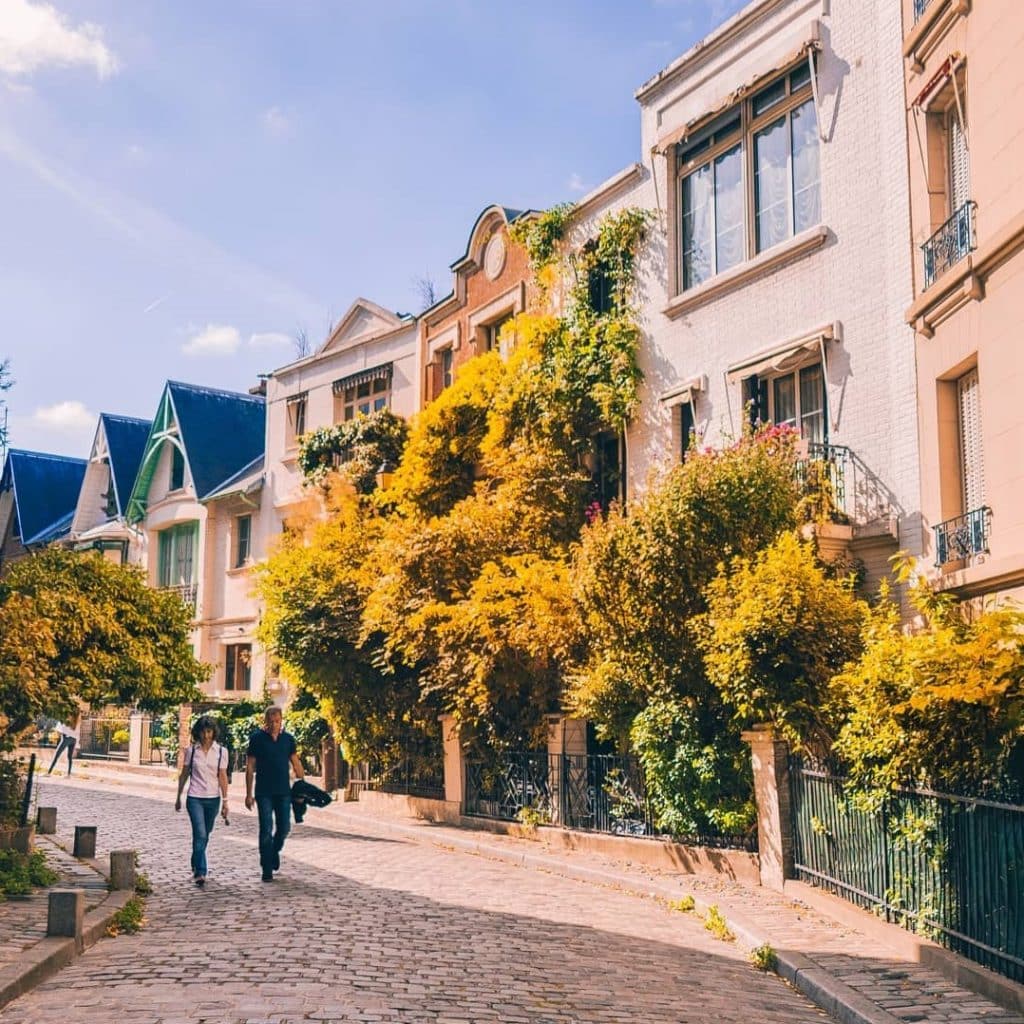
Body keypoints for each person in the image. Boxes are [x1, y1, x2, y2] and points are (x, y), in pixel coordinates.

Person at [245, 706, 304, 882]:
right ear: (265, 721)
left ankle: (274, 851)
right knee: (265, 829)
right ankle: (266, 868)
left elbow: (296, 763)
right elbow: (249, 767)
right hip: (263, 792)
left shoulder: (288, 740)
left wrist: (302, 785)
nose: (274, 724)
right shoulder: (257, 739)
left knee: (284, 827)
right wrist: (248, 794)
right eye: (270, 721)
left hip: (283, 791)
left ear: (281, 720)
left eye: (277, 721)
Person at [174, 716, 229, 888]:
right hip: (195, 798)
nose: (206, 736)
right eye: (203, 732)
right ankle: (200, 871)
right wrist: (178, 796)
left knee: (205, 834)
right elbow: (184, 774)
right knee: (201, 833)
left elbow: (222, 776)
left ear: (214, 733)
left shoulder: (221, 752)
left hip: (213, 799)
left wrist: (226, 801)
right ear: (198, 732)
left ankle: (195, 859)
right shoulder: (192, 751)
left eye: (209, 732)